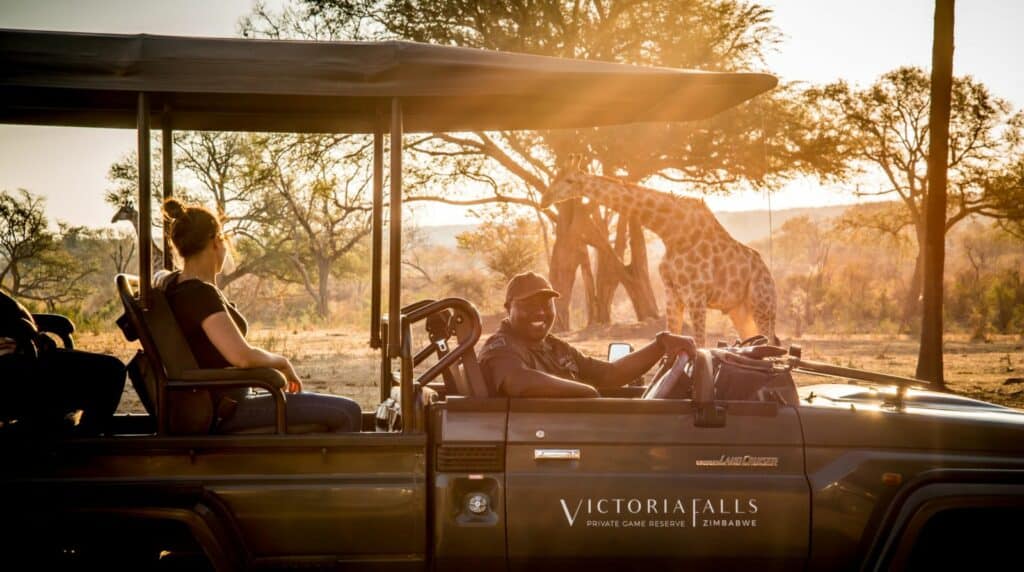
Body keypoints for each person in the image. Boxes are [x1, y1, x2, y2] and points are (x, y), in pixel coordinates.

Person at [160, 198, 361, 433]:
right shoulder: (199, 294)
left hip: (218, 403)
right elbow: (242, 357)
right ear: (216, 241)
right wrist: (281, 362)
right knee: (348, 412)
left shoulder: (174, 285)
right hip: (227, 409)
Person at [478, 272, 697, 397]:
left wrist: (660, 345)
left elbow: (609, 375)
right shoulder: (501, 347)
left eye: (546, 304)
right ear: (508, 308)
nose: (540, 312)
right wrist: (587, 393)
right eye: (529, 304)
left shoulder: (554, 347)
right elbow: (518, 381)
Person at [1, 290, 125, 434]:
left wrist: (33, 332)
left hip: (26, 353)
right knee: (112, 371)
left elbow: (12, 311)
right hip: (16, 365)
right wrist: (31, 333)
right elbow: (15, 322)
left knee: (109, 369)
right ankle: (85, 441)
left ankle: (69, 433)